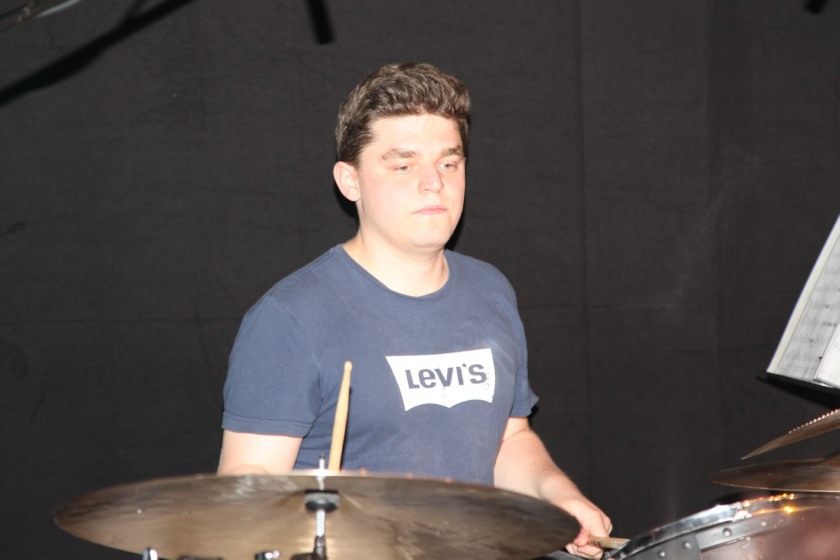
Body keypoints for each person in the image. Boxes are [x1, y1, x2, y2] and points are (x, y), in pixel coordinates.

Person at [218, 62, 612, 559]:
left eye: (448, 163)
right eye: (403, 165)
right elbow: (245, 499)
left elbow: (508, 439)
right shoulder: (290, 318)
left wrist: (560, 496)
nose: (433, 184)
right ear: (350, 181)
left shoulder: (490, 290)